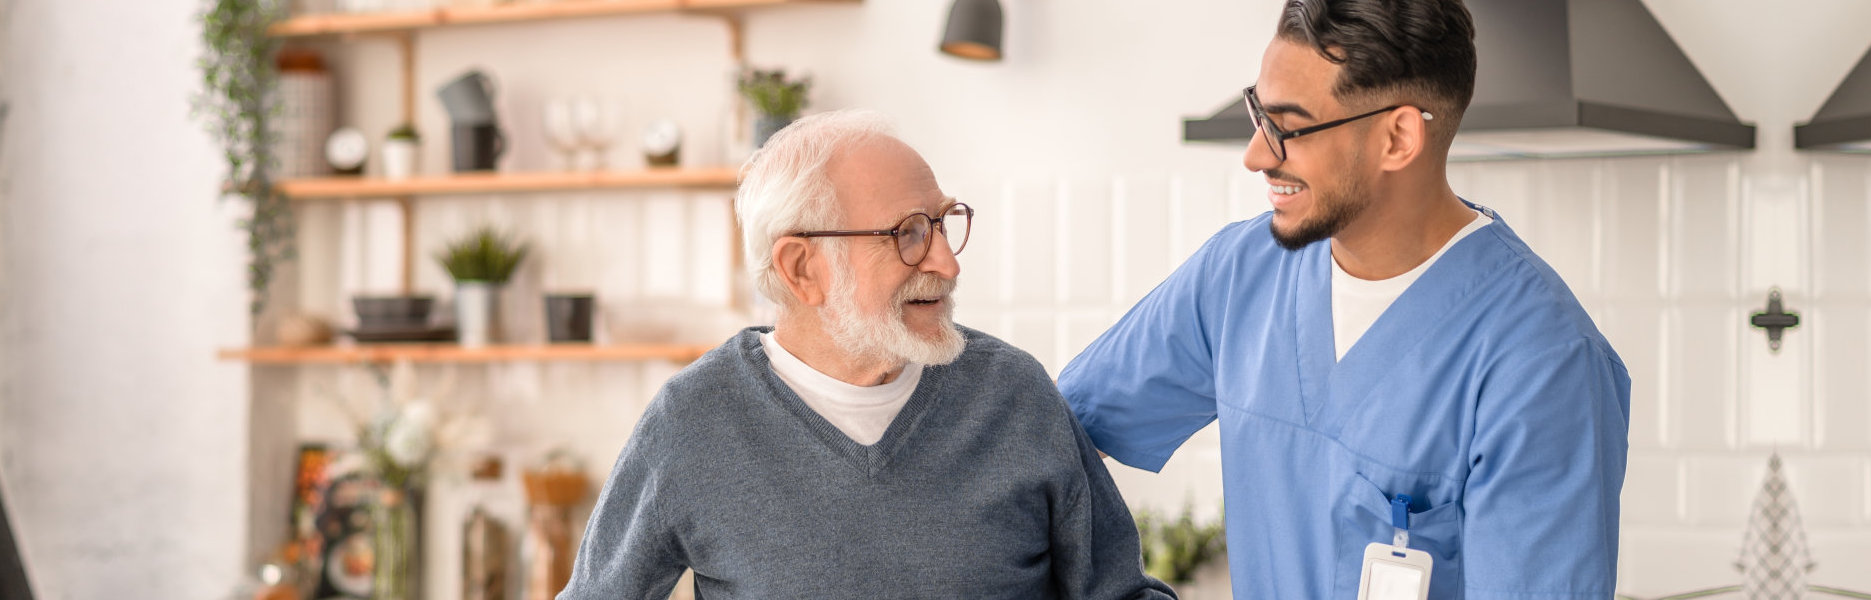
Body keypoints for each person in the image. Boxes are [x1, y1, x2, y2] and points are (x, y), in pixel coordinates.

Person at [1058, 1, 1631, 598]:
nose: (1257, 154)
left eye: (1289, 127)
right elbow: (1046, 438)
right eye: (1259, 113)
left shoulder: (1545, 364)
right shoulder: (1240, 274)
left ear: (1398, 137)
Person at [558, 110, 1173, 600]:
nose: (947, 262)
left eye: (943, 222)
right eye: (908, 233)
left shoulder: (1014, 393)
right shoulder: (692, 421)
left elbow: (1118, 593)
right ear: (802, 269)